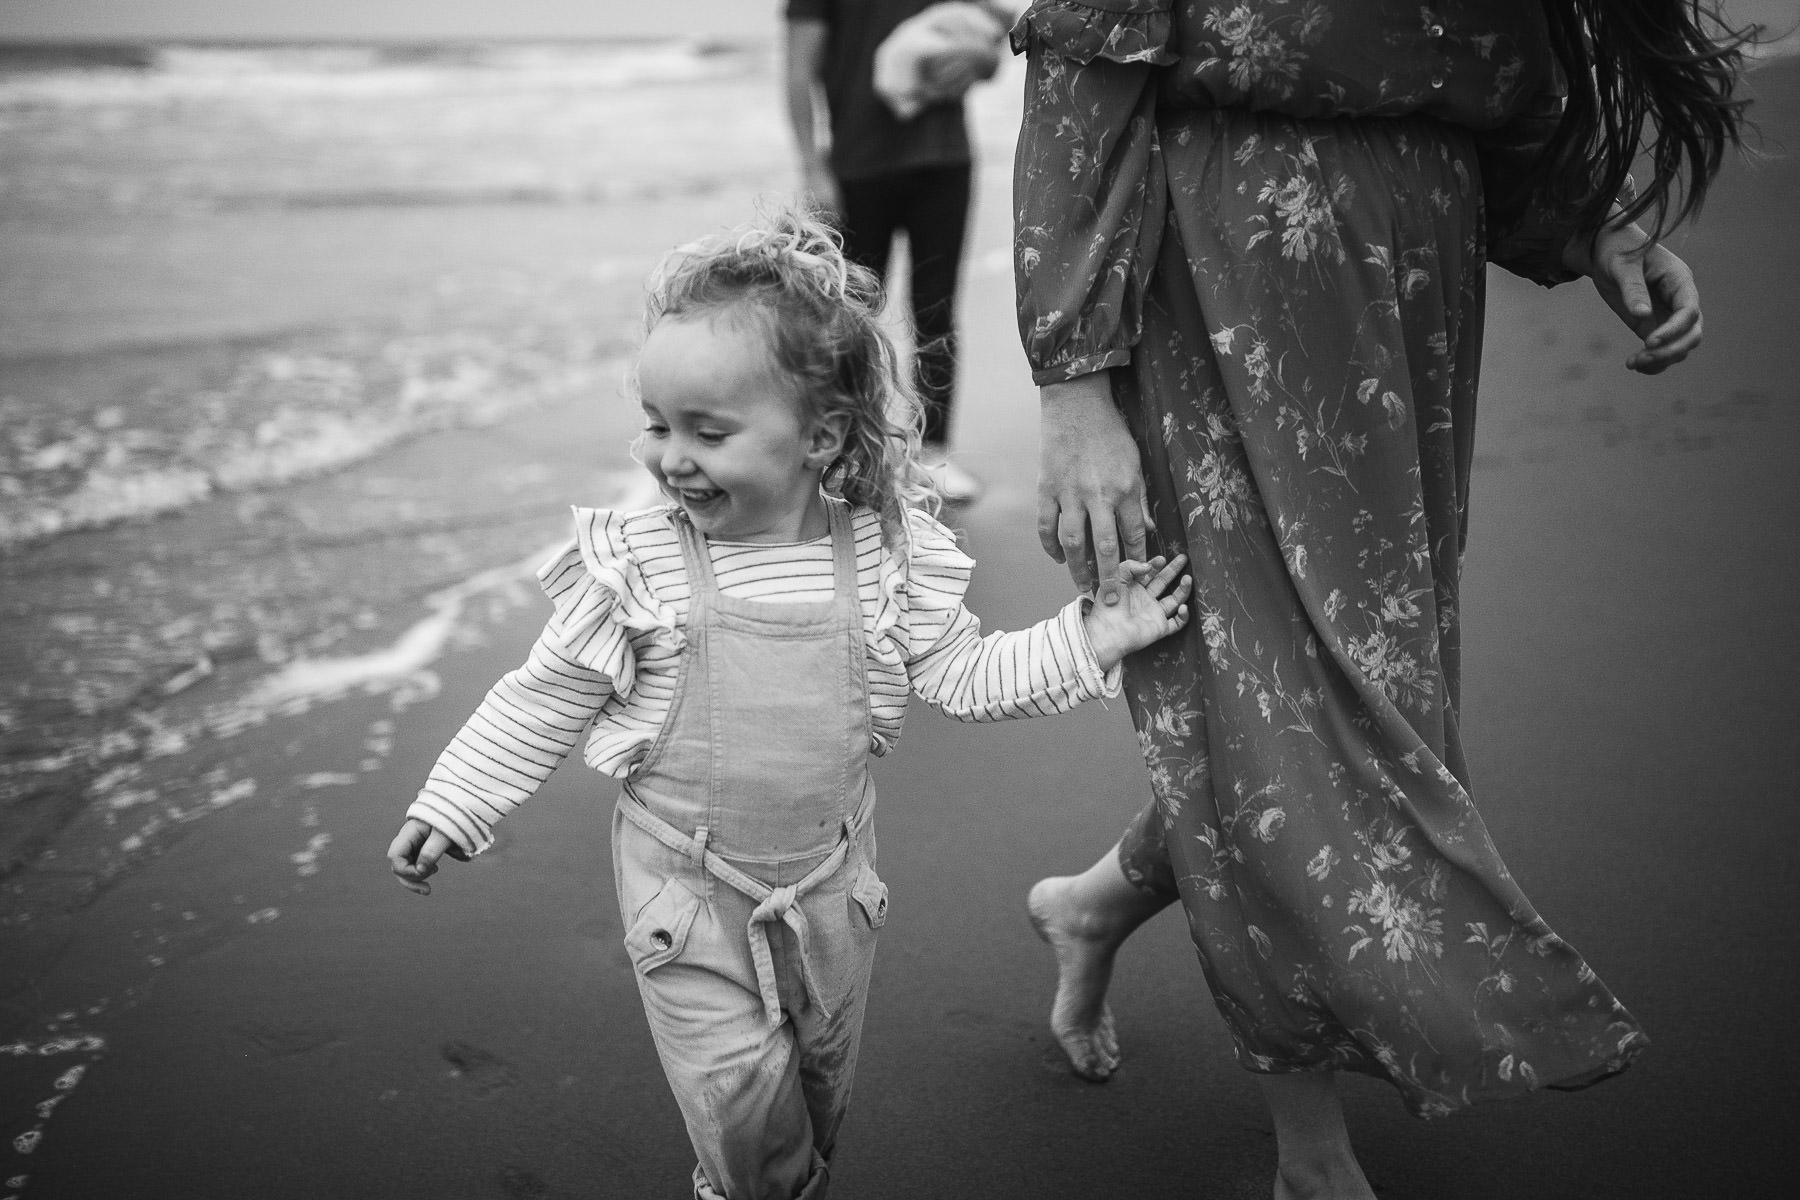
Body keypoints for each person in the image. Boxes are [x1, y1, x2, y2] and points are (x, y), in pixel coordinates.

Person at [1006, 1, 1751, 1196]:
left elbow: (1491, 61)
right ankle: (1309, 1153)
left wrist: (1597, 221)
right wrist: (1073, 384)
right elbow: (1082, 73)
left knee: (1369, 692)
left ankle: (1092, 906)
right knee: (1276, 689)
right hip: (1218, 269)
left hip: (1410, 281)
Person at [386, 209, 1192, 1200]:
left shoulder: (883, 557)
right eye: (657, 424)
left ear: (821, 435)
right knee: (739, 1105)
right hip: (682, 894)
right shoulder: (642, 566)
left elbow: (967, 676)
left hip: (831, 891)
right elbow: (544, 695)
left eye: (708, 431)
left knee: (816, 1093)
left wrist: (1092, 635)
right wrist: (455, 801)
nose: (669, 457)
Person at [783, 0, 1012, 502]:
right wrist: (812, 168)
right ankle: (847, 454)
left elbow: (1000, 31)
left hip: (946, 161)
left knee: (936, 311)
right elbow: (799, 71)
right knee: (849, 318)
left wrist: (977, 57)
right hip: (858, 165)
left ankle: (934, 454)